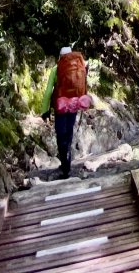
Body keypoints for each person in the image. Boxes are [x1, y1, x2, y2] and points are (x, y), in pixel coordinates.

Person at [40, 46, 91, 178]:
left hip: (61, 105)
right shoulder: (79, 66)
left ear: (60, 56)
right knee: (68, 132)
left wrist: (44, 111)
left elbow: (47, 93)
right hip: (74, 104)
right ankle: (67, 159)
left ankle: (65, 165)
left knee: (60, 134)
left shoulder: (56, 69)